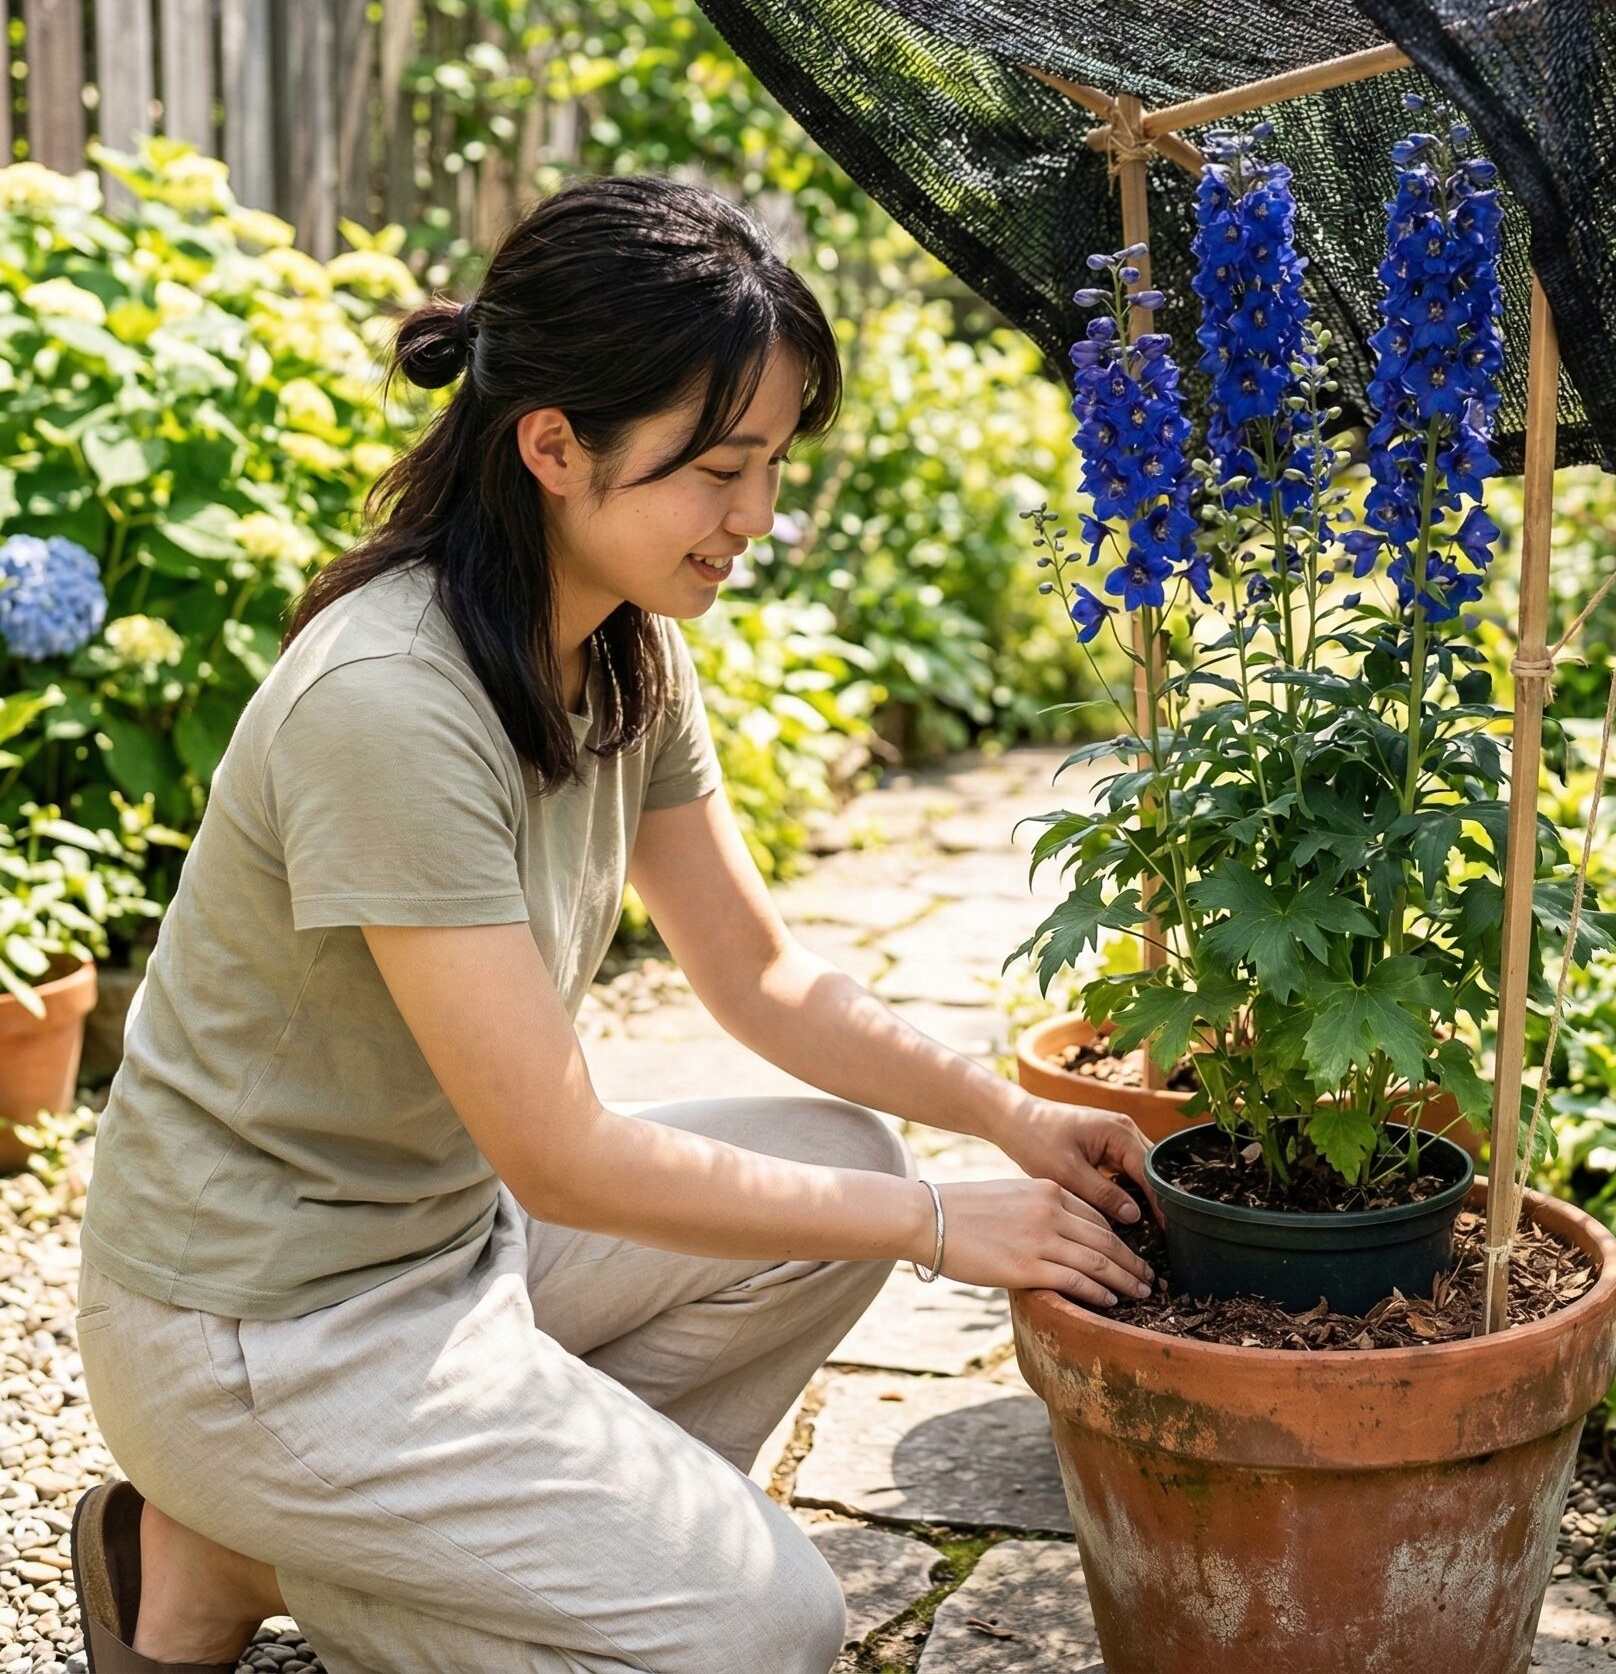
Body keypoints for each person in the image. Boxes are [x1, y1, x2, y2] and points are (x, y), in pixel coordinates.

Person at [68, 178, 1153, 1674]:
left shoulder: (621, 652)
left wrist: (1006, 1121)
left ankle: (348, 1552)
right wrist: (941, 1230)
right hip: (258, 1333)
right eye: (719, 469)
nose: (755, 517)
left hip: (451, 1247)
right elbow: (563, 1154)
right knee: (765, 1633)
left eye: (771, 465)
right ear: (554, 446)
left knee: (848, 1158)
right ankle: (254, 1543)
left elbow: (762, 977)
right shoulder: (387, 702)